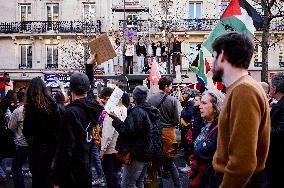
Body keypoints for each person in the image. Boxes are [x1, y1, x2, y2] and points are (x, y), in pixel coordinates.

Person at [210, 32, 270, 187]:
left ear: (222, 55)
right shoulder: (241, 87)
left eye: (213, 56)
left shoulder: (243, 90)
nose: (211, 62)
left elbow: (243, 162)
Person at [52, 72, 103, 188]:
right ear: (88, 89)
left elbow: (65, 148)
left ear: (70, 90)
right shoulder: (93, 107)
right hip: (86, 166)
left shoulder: (70, 112)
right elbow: (95, 123)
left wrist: (56, 178)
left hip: (71, 171)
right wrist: (95, 137)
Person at [109, 86, 162, 188]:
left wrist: (115, 119)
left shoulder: (137, 111)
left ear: (134, 97)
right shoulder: (151, 110)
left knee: (128, 184)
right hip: (148, 152)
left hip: (137, 153)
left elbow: (127, 131)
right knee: (139, 182)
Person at [23, 77, 61, 188]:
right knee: (46, 174)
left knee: (37, 176)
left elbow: (27, 130)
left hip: (36, 146)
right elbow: (58, 125)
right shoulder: (52, 104)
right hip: (50, 145)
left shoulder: (30, 106)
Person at [148, 76, 181, 188]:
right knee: (170, 163)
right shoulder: (172, 100)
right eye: (171, 85)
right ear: (166, 86)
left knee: (156, 163)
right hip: (169, 134)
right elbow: (177, 120)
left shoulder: (150, 99)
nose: (171, 88)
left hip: (154, 134)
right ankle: (178, 186)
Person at [188, 90, 225, 188]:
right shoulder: (207, 124)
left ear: (215, 107)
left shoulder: (221, 130)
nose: (200, 106)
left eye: (204, 103)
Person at [100, 93, 128, 188]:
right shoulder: (125, 109)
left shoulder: (110, 111)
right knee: (117, 175)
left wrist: (103, 149)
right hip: (120, 147)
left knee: (111, 177)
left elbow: (108, 133)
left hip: (110, 149)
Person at [266, 72, 284, 188]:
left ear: (275, 88)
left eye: (270, 86)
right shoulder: (279, 104)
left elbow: (279, 132)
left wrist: (262, 127)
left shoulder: (282, 106)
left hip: (278, 159)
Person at [8, 88, 28, 188]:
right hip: (33, 143)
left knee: (16, 168)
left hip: (21, 143)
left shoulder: (17, 111)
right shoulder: (33, 109)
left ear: (18, 98)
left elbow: (11, 127)